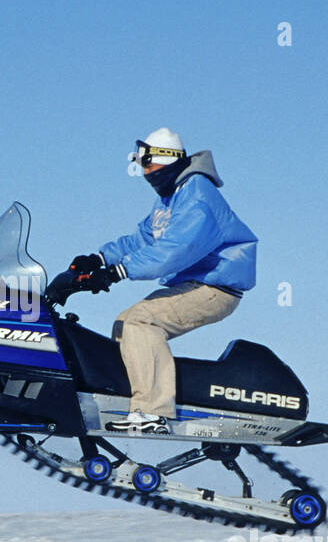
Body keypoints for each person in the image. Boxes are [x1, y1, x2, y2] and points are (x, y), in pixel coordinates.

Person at [61, 128, 257, 434]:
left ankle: (153, 412)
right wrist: (98, 260)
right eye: (141, 166)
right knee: (125, 324)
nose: (145, 173)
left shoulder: (197, 195)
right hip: (196, 284)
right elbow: (142, 240)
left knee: (142, 322)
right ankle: (125, 402)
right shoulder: (171, 198)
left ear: (166, 160)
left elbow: (175, 250)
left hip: (215, 287)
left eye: (148, 165)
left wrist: (117, 272)